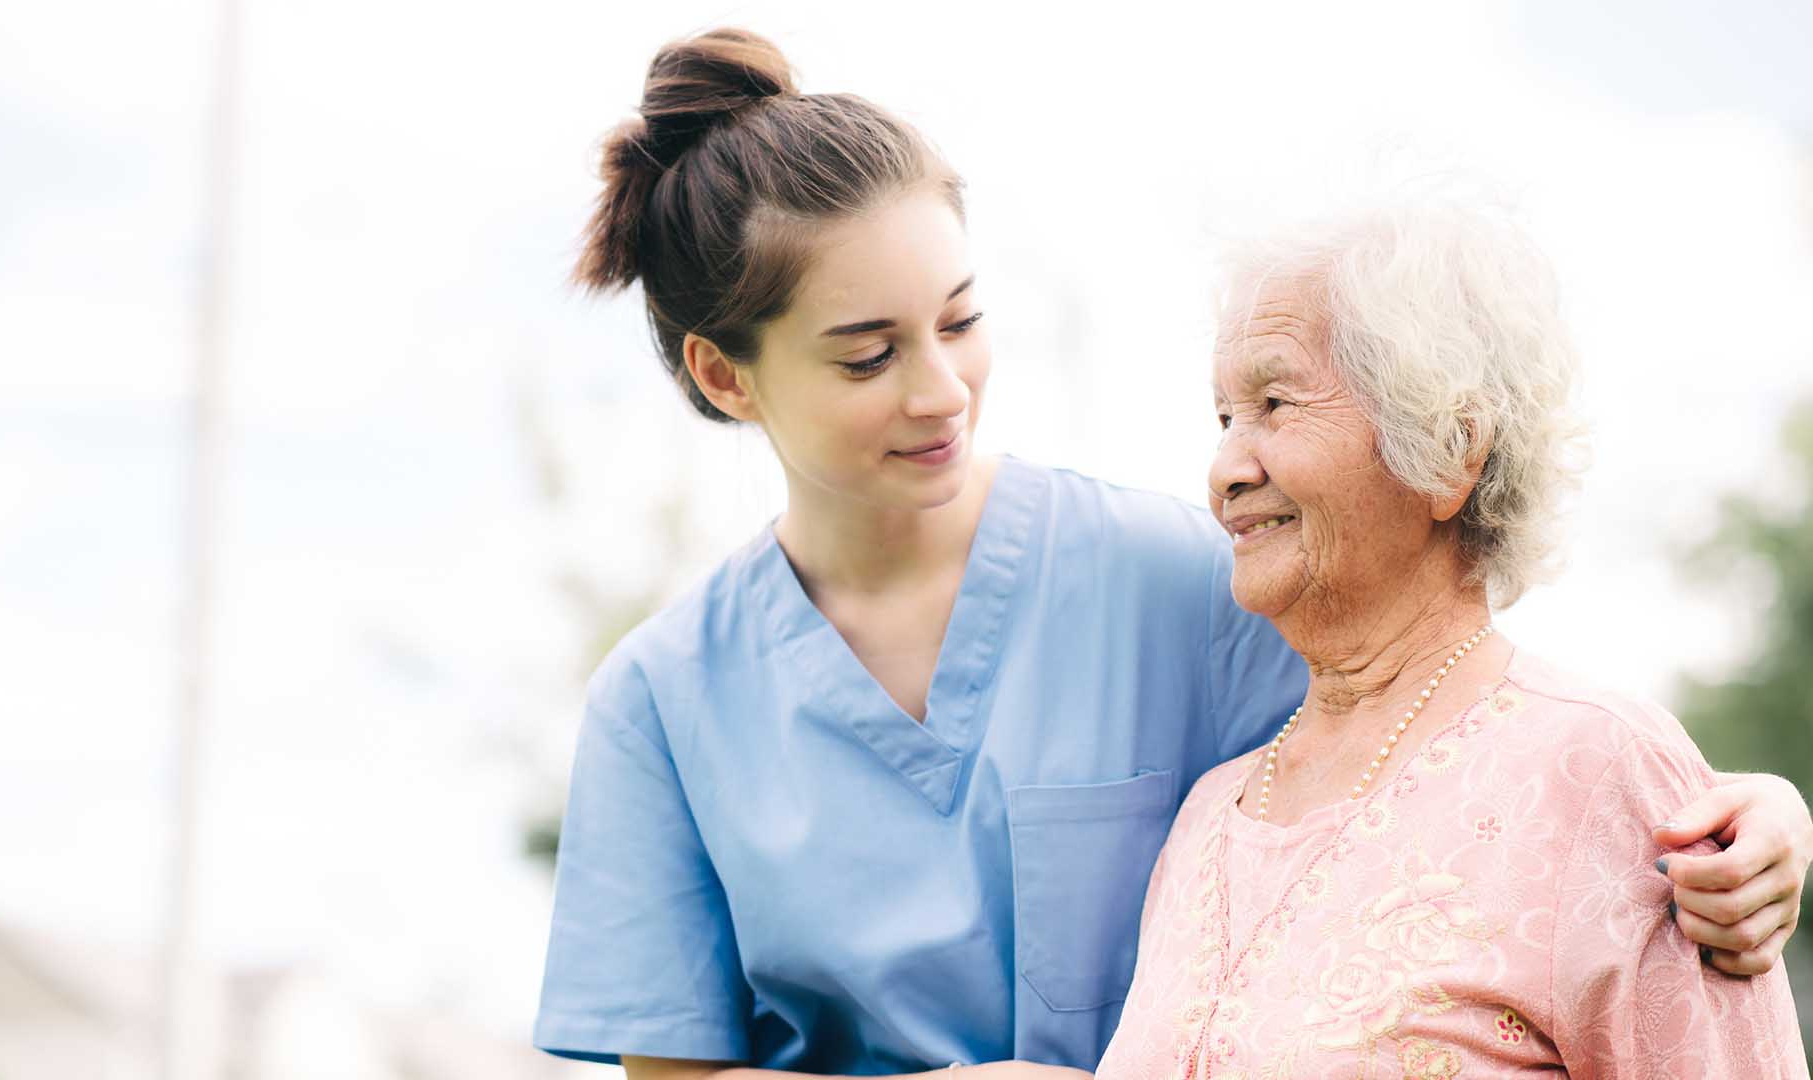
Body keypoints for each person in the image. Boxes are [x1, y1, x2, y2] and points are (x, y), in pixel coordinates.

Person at [536, 27, 1813, 1079]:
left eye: (962, 321)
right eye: (868, 355)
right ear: (725, 375)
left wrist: (1750, 814)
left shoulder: (1177, 585)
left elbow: (1475, 748)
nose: (942, 391)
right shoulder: (662, 709)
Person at [1096, 198, 1809, 1078]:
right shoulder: (1212, 815)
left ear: (1449, 447)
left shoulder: (1604, 772)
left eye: (1275, 403)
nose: (1225, 470)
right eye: (1223, 418)